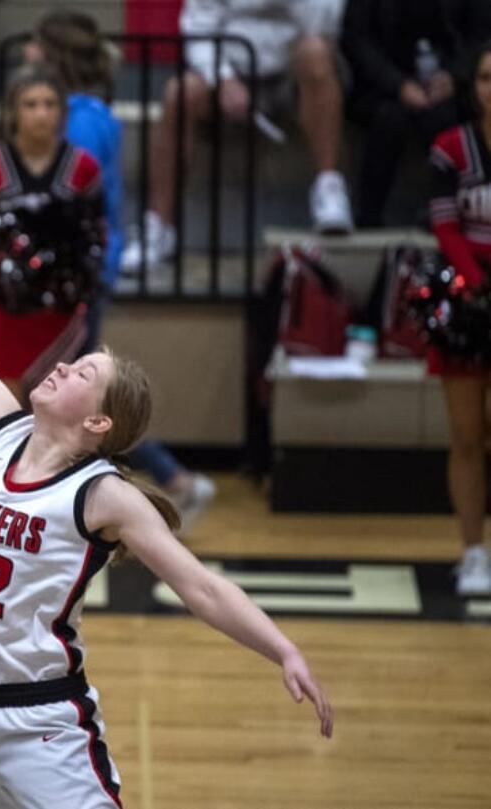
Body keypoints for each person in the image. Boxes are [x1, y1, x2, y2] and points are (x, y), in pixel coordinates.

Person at [0, 195, 334, 807]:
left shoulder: (103, 494)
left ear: (100, 423)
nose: (65, 368)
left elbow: (202, 588)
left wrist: (283, 648)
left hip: (39, 723)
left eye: (84, 374)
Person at [29, 11, 217, 533]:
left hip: (81, 274)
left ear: (54, 58)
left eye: (34, 50)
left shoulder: (83, 121)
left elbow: (68, 202)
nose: (25, 58)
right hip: (85, 270)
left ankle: (172, 480)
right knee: (56, 385)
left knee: (59, 386)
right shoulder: (89, 113)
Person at [122, 0, 352, 273]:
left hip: (293, 71)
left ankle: (328, 188)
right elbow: (198, 30)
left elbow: (325, 26)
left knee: (316, 53)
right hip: (231, 69)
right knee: (178, 94)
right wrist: (223, 78)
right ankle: (160, 228)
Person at [0, 65, 104, 394]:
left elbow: (98, 236)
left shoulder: (84, 169)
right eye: (31, 104)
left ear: (62, 112)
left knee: (59, 409)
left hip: (60, 313)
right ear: (12, 111)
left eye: (50, 104)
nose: (41, 113)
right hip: (2, 311)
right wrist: (9, 260)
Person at [428, 41, 491, 597]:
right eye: (488, 77)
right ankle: (473, 552)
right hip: (470, 305)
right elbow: (446, 227)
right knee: (468, 437)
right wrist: (475, 283)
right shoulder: (452, 148)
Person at [341, 0, 476, 228]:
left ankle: (447, 213)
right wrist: (398, 85)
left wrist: (455, 77)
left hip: (452, 88)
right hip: (382, 87)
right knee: (388, 118)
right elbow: (356, 39)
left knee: (445, 120)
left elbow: (480, 37)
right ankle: (368, 216)